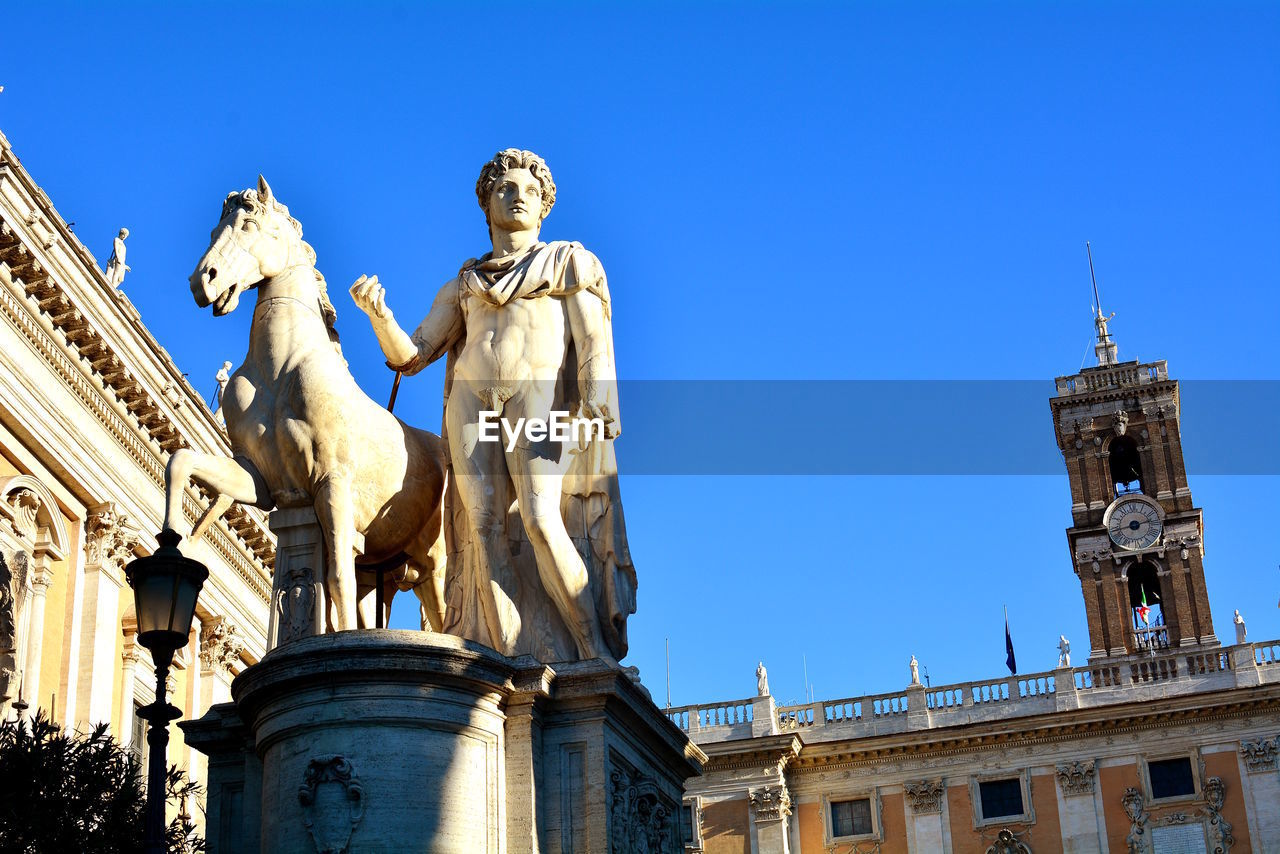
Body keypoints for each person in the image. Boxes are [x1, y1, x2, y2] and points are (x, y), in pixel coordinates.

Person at [350, 149, 634, 665]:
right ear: (487, 203)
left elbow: (592, 339)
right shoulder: (465, 284)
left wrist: (596, 401)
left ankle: (592, 651)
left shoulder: (569, 262)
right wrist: (378, 313)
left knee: (541, 518)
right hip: (471, 403)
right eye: (505, 188)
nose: (517, 196)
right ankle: (504, 658)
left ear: (545, 204)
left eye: (529, 190)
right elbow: (412, 357)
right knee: (482, 537)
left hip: (538, 399)